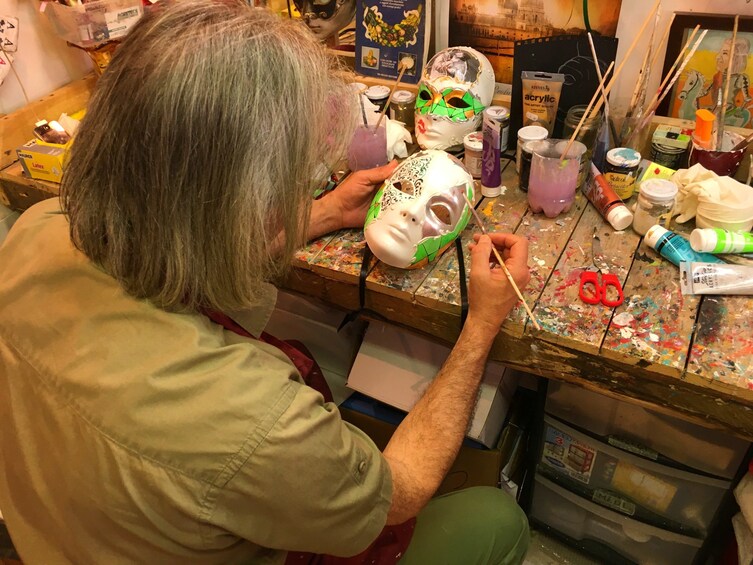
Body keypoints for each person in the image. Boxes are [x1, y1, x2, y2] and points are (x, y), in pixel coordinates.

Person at [0, 1, 531, 564]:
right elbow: (398, 492)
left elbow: (175, 237)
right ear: (239, 204)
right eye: (288, 185)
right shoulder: (254, 423)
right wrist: (480, 327)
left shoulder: (40, 231)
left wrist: (321, 213)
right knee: (495, 518)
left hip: (61, 539)